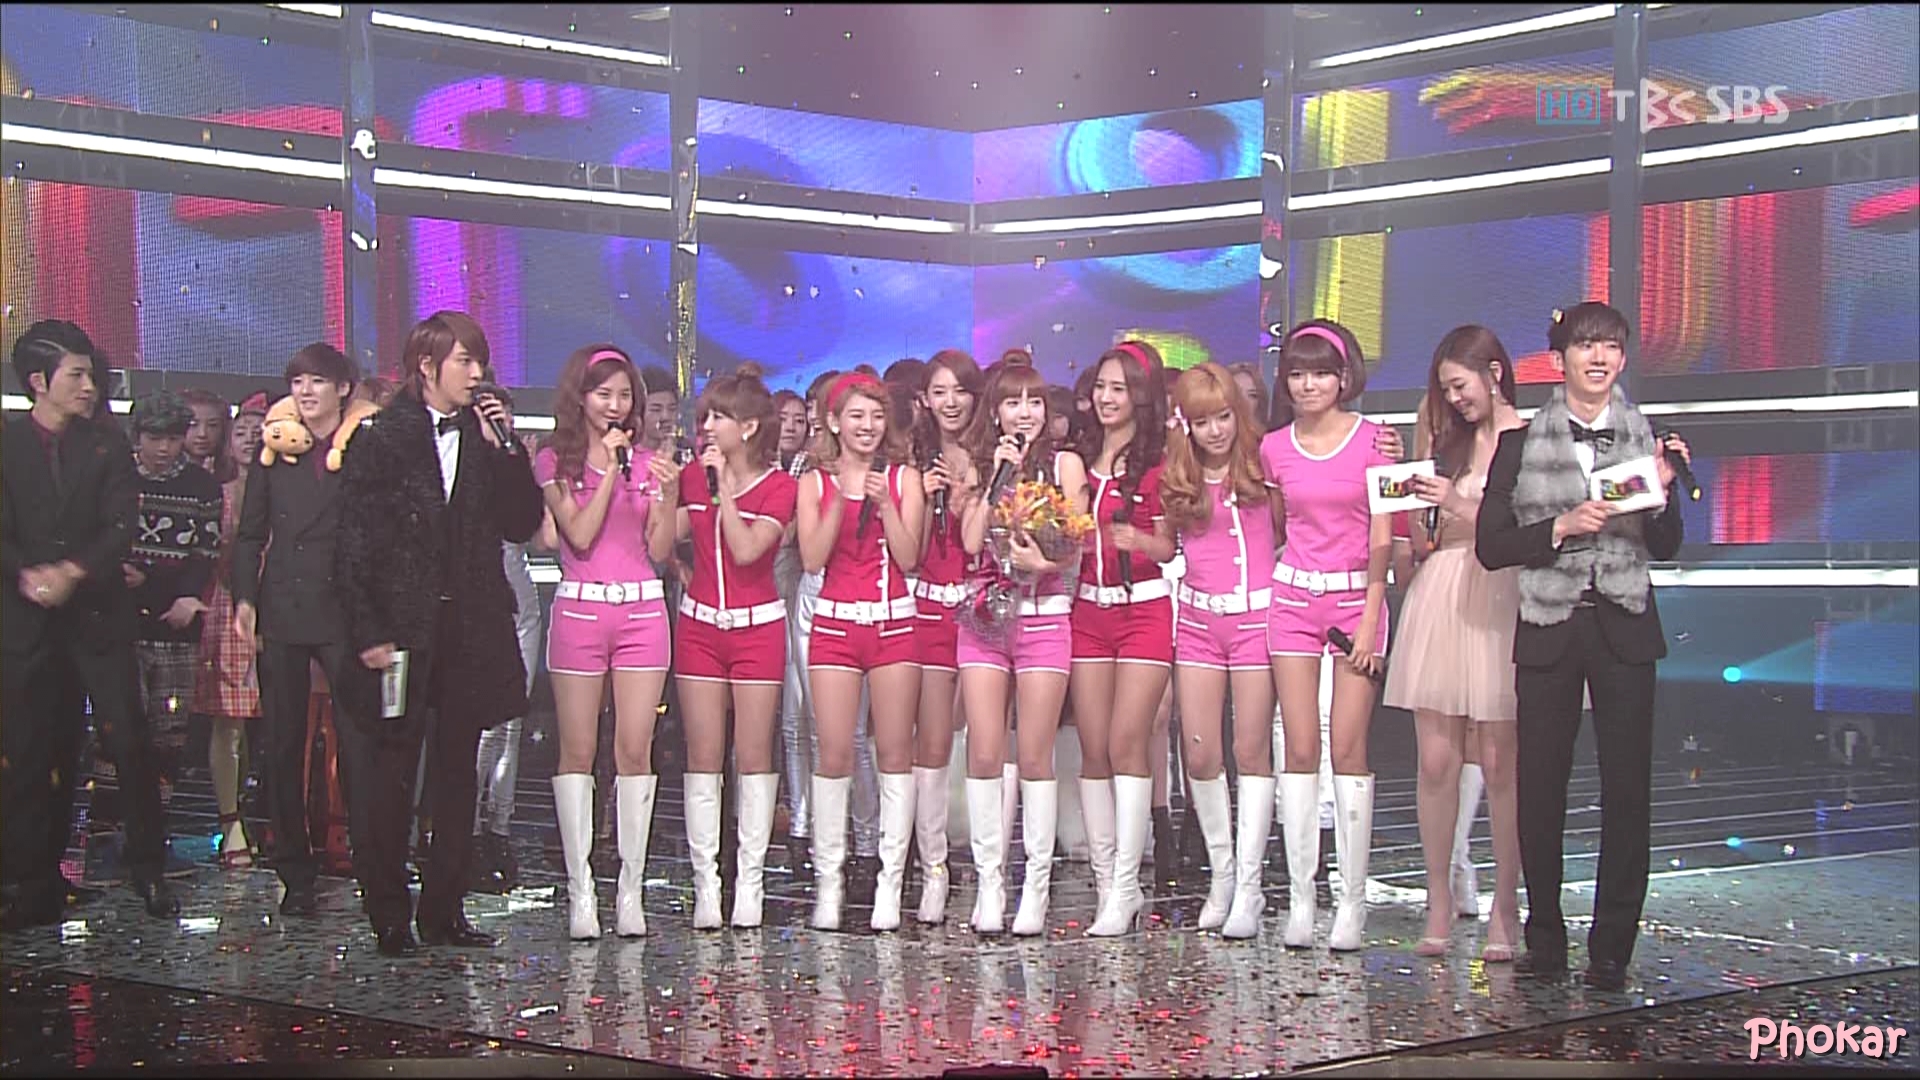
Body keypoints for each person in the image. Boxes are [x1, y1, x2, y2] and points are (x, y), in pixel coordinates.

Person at [1476, 301, 1689, 992]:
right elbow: (1490, 546)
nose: (1598, 358)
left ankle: (1612, 949)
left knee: (1627, 790)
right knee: (1541, 786)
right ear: (1560, 358)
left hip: (1624, 624)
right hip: (1549, 626)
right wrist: (1559, 528)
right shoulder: (1518, 444)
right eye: (1585, 346)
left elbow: (1666, 546)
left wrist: (1662, 494)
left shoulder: (1646, 440)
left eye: (1610, 347)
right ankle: (1544, 937)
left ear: (1622, 359)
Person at [333, 311, 543, 956]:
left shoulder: (485, 440)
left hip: (468, 629)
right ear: (427, 366)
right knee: (393, 773)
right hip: (401, 630)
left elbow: (521, 523)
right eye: (464, 361)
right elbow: (355, 544)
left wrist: (507, 449)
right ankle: (389, 914)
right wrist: (369, 631)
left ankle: (445, 910)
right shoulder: (381, 436)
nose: (477, 374)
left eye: (480, 362)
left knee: (458, 773)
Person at [2, 320, 180, 929]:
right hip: (27, 621)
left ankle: (149, 871)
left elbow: (120, 527)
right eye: (76, 375)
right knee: (33, 749)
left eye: (90, 374)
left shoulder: (106, 447)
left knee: (128, 740)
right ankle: (32, 880)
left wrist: (71, 572)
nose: (89, 386)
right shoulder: (7, 443)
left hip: (97, 617)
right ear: (38, 381)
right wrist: (28, 575)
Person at [1382, 328, 1526, 961]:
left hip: (1502, 591)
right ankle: (1438, 898)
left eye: (1460, 386)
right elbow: (1423, 537)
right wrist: (1411, 481)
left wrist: (1460, 501)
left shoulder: (1530, 439)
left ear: (1493, 373)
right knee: (1436, 761)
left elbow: (1526, 524)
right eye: (1445, 390)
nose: (1456, 399)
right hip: (1442, 591)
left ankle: (1505, 907)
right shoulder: (1448, 443)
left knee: (1500, 763)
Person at [1262, 319, 1393, 951]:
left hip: (1354, 600)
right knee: (1299, 746)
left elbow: (1383, 534)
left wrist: (1370, 615)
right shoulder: (1273, 448)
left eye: (1320, 373)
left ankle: (1351, 902)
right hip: (1291, 598)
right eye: (1297, 373)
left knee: (1348, 747)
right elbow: (1278, 524)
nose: (1308, 385)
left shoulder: (1376, 441)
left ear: (1344, 378)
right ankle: (1301, 899)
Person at [537, 346, 676, 940]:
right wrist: (613, 474)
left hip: (642, 611)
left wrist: (666, 493)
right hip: (580, 610)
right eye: (603, 394)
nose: (615, 405)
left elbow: (661, 551)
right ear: (581, 398)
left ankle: (630, 889)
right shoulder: (553, 461)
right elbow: (579, 532)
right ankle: (581, 890)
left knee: (635, 750)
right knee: (577, 750)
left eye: (624, 395)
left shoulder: (649, 463)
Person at [956, 361, 1087, 936]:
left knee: (1035, 756)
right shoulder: (981, 464)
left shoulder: (1065, 465)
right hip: (985, 619)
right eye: (1013, 402)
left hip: (1044, 616)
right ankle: (990, 884)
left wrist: (1046, 561)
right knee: (985, 752)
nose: (1025, 412)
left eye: (1034, 402)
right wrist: (995, 477)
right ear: (996, 412)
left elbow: (1078, 546)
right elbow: (968, 541)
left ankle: (1035, 886)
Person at [233, 344, 363, 914]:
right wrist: (245, 598)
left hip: (343, 608)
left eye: (318, 382)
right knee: (283, 743)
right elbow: (249, 534)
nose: (306, 392)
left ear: (343, 388)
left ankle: (366, 857)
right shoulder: (274, 451)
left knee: (358, 739)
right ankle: (294, 871)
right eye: (298, 382)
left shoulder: (361, 448)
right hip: (283, 605)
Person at [670, 364, 798, 929]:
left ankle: (750, 883)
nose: (707, 428)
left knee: (752, 756)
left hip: (757, 628)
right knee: (703, 756)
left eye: (718, 417)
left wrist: (722, 490)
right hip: (699, 626)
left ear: (747, 428)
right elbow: (661, 538)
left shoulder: (780, 487)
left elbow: (747, 551)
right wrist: (664, 498)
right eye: (705, 417)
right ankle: (706, 885)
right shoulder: (690, 477)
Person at [796, 371, 925, 931]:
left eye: (876, 416)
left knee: (895, 752)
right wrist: (840, 500)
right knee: (833, 753)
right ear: (834, 422)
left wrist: (886, 505)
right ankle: (830, 881)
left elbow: (911, 556)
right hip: (834, 624)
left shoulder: (904, 478)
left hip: (894, 622)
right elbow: (811, 559)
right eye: (856, 416)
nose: (868, 426)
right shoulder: (813, 482)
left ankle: (889, 885)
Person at [1158, 363, 1276, 933]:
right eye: (1202, 421)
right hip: (1199, 622)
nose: (1216, 431)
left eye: (1224, 417)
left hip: (1257, 617)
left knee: (1251, 751)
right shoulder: (1177, 474)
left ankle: (1250, 886)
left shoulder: (1264, 463)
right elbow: (1165, 544)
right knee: (1200, 754)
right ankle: (1223, 876)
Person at [1068, 342, 1176, 937]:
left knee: (1126, 742)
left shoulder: (1158, 461)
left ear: (1141, 395)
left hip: (1144, 609)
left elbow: (1169, 546)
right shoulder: (1077, 458)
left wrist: (1137, 541)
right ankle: (1108, 881)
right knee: (1093, 749)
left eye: (1121, 388)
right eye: (1102, 387)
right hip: (1087, 610)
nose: (1108, 398)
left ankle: (1130, 882)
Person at [124, 391, 224, 857]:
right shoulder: (118, 478)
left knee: (169, 734)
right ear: (137, 437)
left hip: (178, 627)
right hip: (121, 626)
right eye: (154, 438)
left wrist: (179, 594)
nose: (164, 448)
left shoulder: (202, 487)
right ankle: (111, 833)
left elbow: (204, 553)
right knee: (118, 731)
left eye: (172, 438)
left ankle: (153, 837)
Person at [908, 348, 983, 925]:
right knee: (931, 739)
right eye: (940, 391)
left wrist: (972, 497)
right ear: (925, 400)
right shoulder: (911, 459)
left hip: (986, 607)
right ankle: (933, 867)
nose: (950, 402)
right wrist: (922, 493)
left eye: (959, 390)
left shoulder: (994, 457)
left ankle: (990, 868)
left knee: (986, 740)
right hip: (929, 605)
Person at [471, 383, 540, 895]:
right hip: (474, 597)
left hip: (519, 600)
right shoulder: (456, 462)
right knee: (478, 725)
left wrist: (514, 458)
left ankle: (499, 829)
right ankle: (467, 830)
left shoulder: (513, 463)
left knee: (510, 723)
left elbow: (528, 528)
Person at [199, 390, 269, 870]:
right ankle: (230, 823)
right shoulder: (215, 493)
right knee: (230, 723)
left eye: (257, 432)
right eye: (240, 431)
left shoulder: (287, 493)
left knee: (274, 725)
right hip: (227, 609)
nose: (248, 439)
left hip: (279, 611)